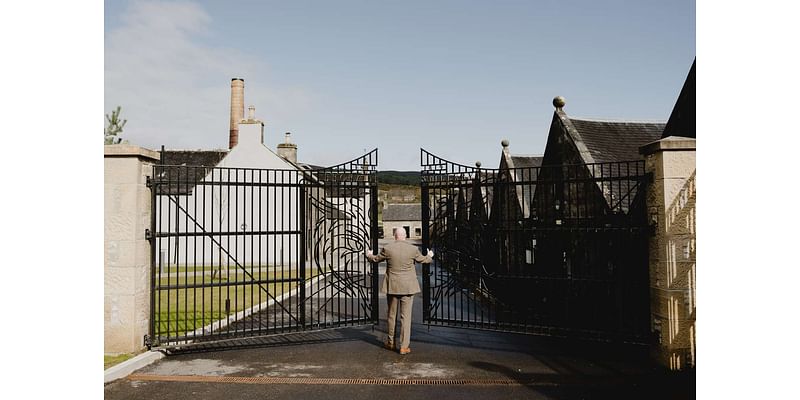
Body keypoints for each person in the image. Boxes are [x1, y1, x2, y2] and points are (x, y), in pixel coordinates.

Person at [366, 228, 434, 355]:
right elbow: (424, 260)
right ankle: (404, 346)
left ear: (394, 236)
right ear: (406, 236)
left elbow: (375, 259)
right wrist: (429, 256)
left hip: (392, 286)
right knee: (405, 317)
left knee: (391, 316)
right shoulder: (413, 249)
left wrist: (369, 254)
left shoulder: (388, 248)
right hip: (408, 287)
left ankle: (390, 342)